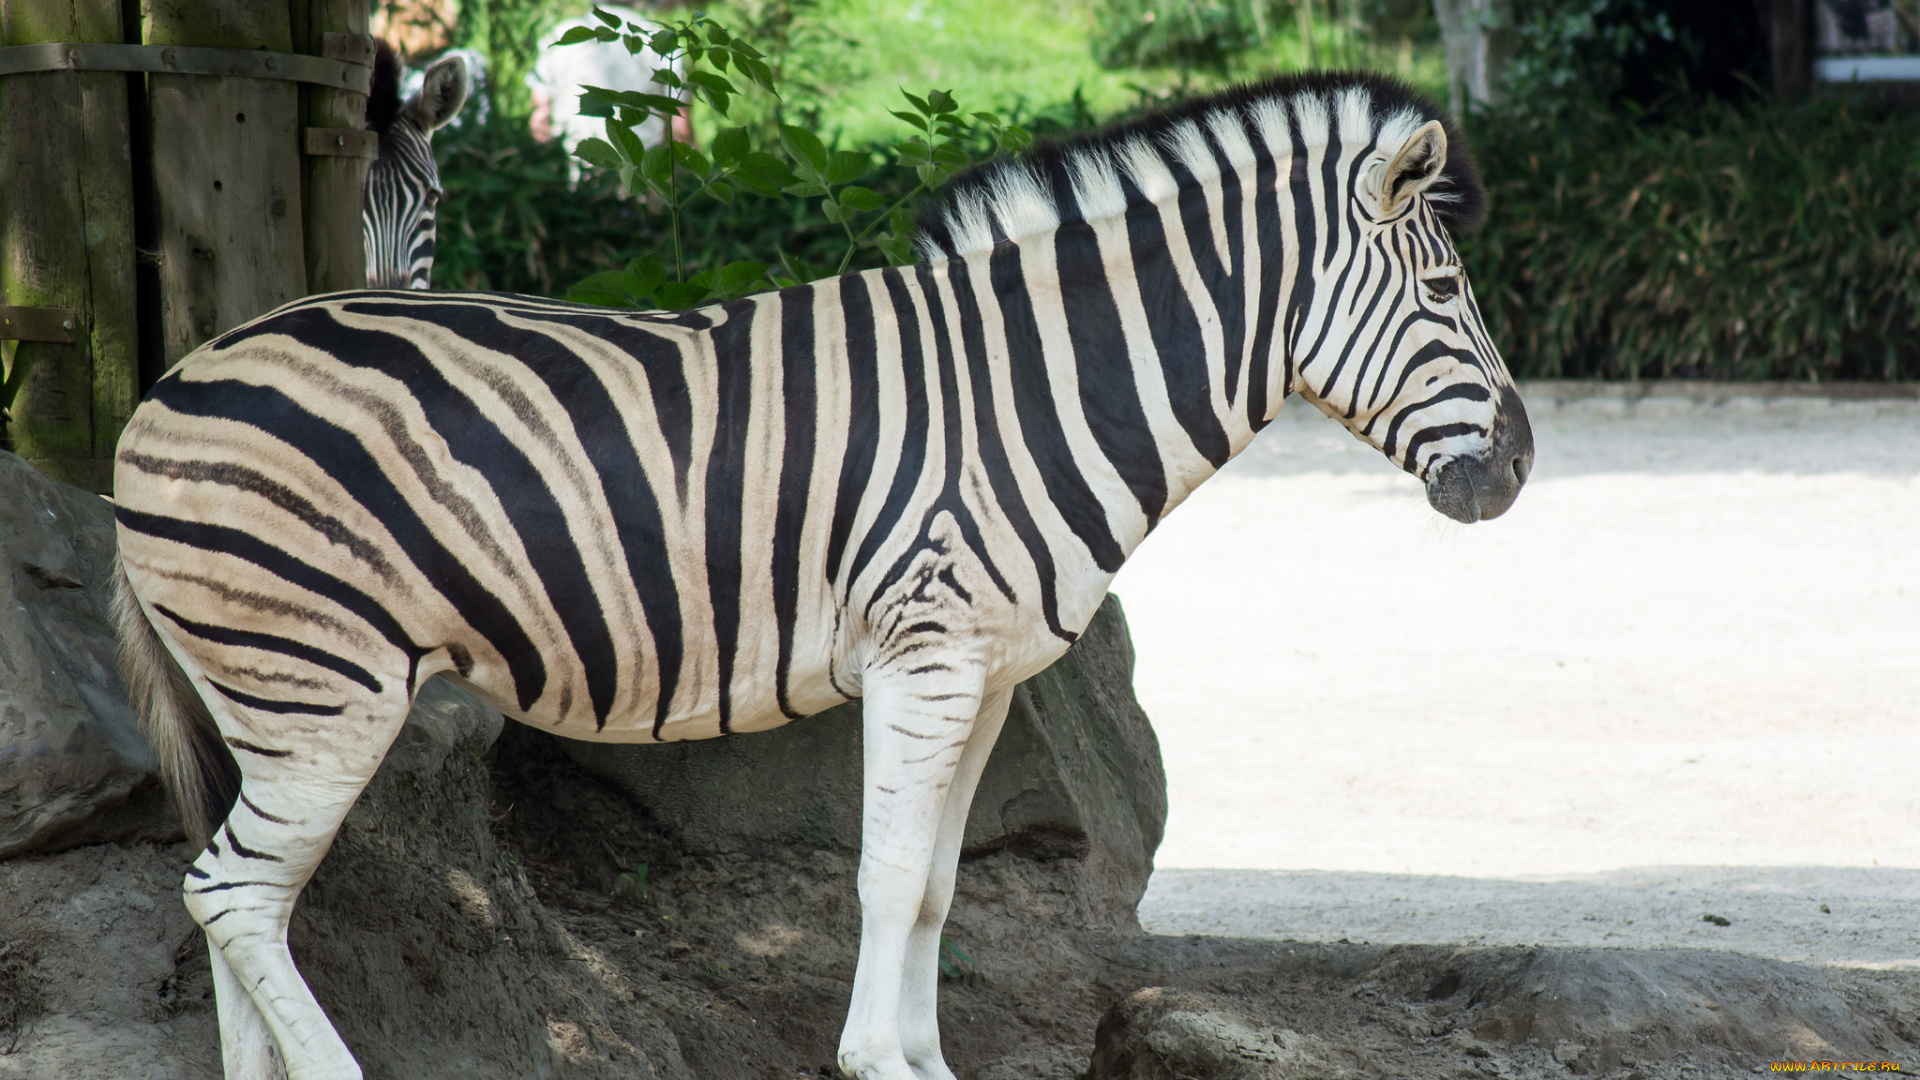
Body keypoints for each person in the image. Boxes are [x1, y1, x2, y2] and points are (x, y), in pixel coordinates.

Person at [528, 5, 694, 184]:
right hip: (640, 181)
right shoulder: (658, 39)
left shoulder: (559, 35)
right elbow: (680, 128)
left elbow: (540, 121)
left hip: (575, 182)